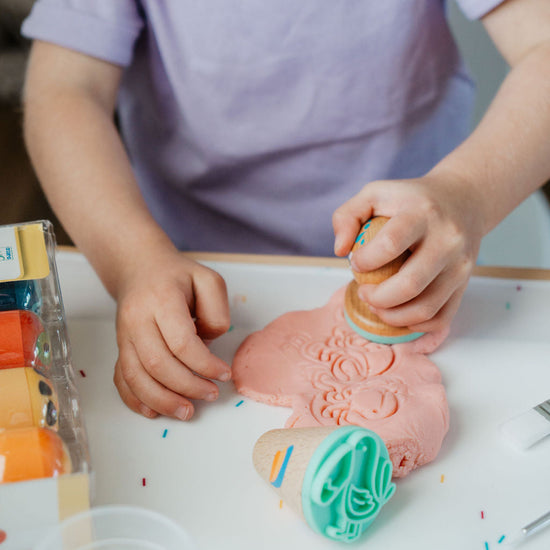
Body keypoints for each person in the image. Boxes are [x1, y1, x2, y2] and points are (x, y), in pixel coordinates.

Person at [21, 0, 550, 421]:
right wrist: (133, 260)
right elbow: (65, 90)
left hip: (436, 257)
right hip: (188, 269)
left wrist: (469, 193)